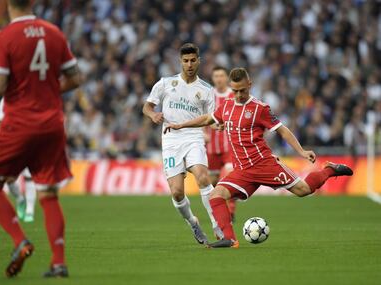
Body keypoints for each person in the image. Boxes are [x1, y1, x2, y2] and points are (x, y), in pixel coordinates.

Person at [164, 67, 353, 248]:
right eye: (235, 90)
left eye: (242, 90)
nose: (238, 95)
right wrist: (182, 125)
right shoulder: (227, 106)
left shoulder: (259, 108)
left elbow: (282, 130)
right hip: (243, 171)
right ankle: (229, 240)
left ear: (250, 84)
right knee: (216, 195)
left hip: (264, 164)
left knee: (304, 190)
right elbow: (207, 119)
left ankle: (329, 169)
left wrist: (301, 151)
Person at [0, 0, 80, 277]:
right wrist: (47, 90)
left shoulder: (2, 37)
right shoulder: (54, 32)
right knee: (48, 193)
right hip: (52, 124)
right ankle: (58, 262)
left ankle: (19, 240)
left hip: (19, 123)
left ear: (8, 5)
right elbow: (76, 78)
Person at [143, 43, 221, 244]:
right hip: (171, 140)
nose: (189, 64)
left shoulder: (206, 89)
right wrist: (152, 115)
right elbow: (147, 106)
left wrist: (217, 127)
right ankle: (192, 222)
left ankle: (217, 224)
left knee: (203, 177)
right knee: (177, 192)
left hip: (194, 137)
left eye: (193, 60)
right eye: (185, 61)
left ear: (199, 61)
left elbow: (209, 118)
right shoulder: (165, 83)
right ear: (180, 62)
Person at [0, 98, 37, 223]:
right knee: (8, 178)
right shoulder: (6, 99)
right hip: (11, 143)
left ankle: (30, 210)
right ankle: (20, 199)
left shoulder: (33, 97)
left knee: (29, 176)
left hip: (30, 142)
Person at [206, 66, 236, 222]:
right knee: (213, 181)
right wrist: (204, 133)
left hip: (229, 146)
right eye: (216, 75)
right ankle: (218, 211)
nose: (218, 78)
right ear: (213, 78)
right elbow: (203, 117)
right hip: (211, 147)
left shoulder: (233, 95)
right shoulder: (208, 95)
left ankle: (231, 211)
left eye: (221, 75)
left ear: (227, 78)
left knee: (230, 177)